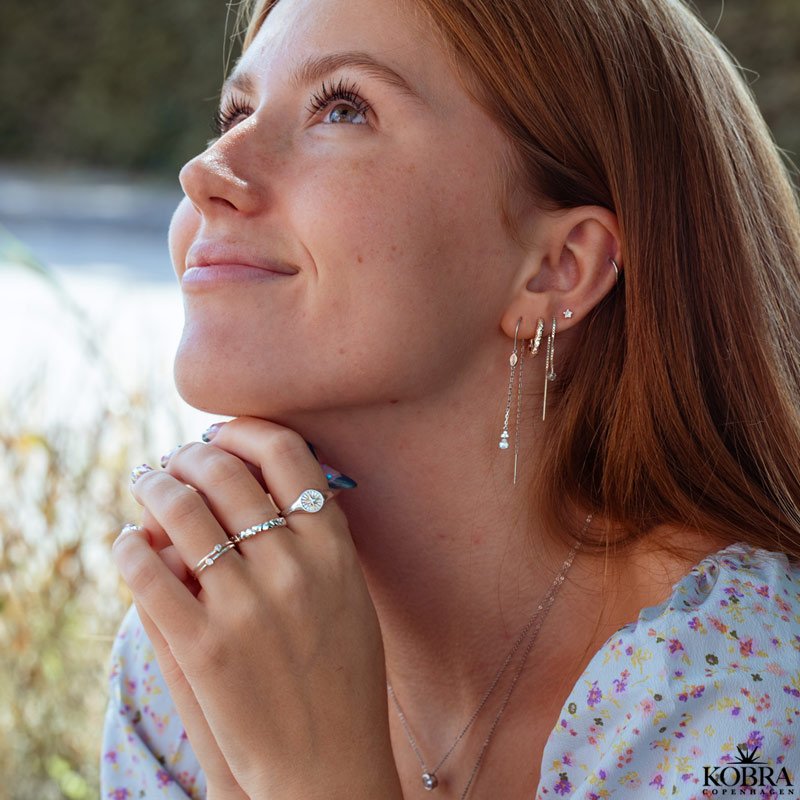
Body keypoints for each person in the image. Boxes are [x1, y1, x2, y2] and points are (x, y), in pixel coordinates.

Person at [100, 0, 800, 797]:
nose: (204, 171)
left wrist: (318, 781)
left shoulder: (742, 700)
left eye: (342, 107)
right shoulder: (210, 632)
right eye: (235, 112)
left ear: (558, 267)